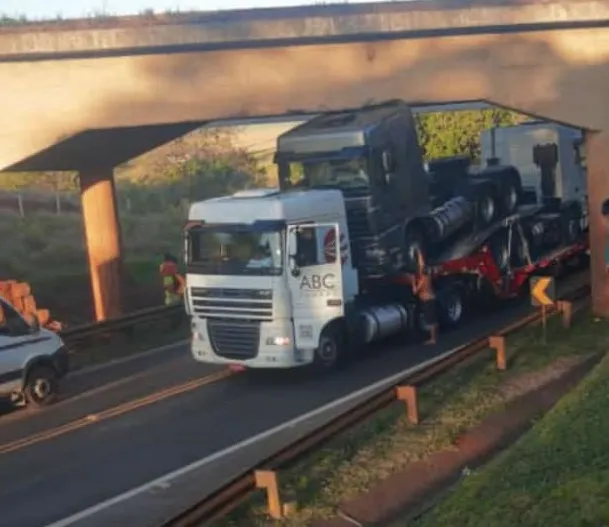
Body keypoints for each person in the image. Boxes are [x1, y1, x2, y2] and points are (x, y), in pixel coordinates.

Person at [411, 249, 438, 345]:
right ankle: (433, 337)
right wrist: (419, 253)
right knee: (432, 319)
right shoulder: (428, 277)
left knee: (431, 320)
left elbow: (415, 291)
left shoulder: (422, 281)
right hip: (430, 298)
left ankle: (433, 339)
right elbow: (422, 265)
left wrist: (413, 281)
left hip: (427, 300)